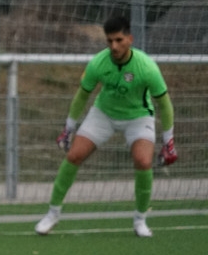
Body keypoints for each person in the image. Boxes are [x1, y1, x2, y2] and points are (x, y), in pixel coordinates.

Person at [34, 13, 176, 238]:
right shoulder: (98, 63)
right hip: (104, 114)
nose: (114, 46)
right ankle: (52, 214)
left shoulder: (147, 67)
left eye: (119, 40)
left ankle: (140, 219)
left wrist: (169, 140)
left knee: (143, 161)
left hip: (138, 117)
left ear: (130, 39)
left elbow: (164, 104)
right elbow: (82, 96)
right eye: (110, 41)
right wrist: (68, 128)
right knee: (74, 156)